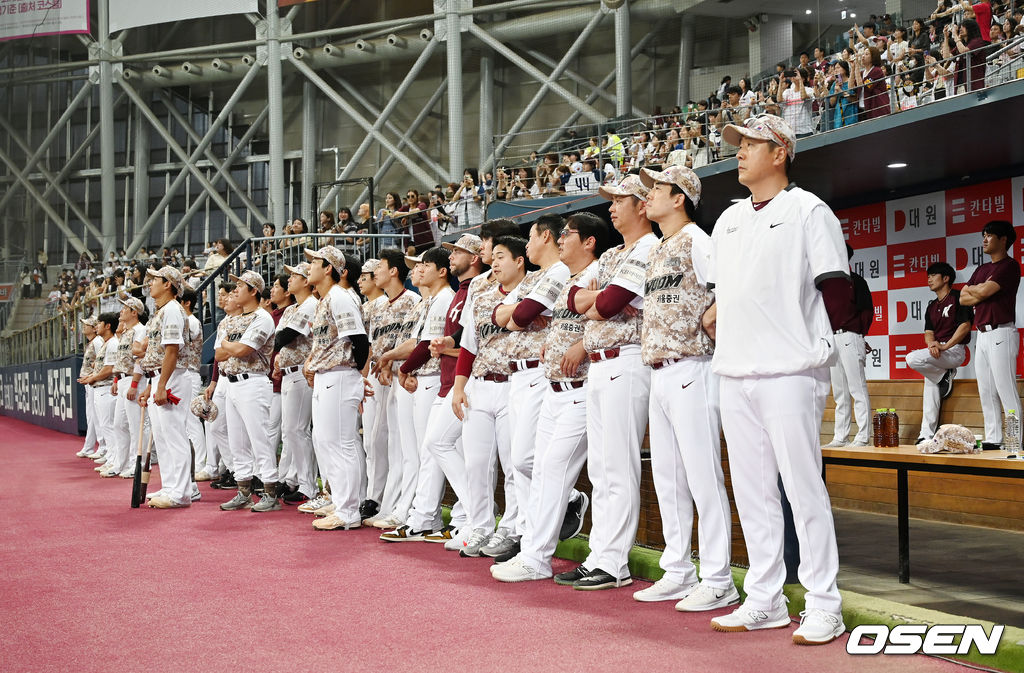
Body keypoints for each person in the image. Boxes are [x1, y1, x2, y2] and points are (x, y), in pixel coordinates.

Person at [708, 114, 849, 644]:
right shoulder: (727, 220)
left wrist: (829, 351)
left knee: (802, 489)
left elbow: (836, 290)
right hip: (735, 369)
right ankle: (764, 598)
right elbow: (727, 292)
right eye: (738, 144)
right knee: (752, 493)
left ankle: (823, 603)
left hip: (791, 369)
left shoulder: (809, 210)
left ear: (781, 151)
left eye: (752, 143)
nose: (740, 151)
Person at [628, 164, 738, 610]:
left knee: (702, 476)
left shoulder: (698, 240)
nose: (648, 195)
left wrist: (716, 315)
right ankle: (678, 570)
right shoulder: (657, 249)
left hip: (694, 366)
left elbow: (727, 288)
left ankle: (718, 577)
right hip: (659, 370)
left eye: (657, 188)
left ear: (680, 198)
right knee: (668, 477)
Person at [491, 213, 607, 583]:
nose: (560, 240)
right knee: (538, 468)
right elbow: (504, 316)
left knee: (553, 470)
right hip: (553, 384)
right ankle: (532, 552)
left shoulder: (599, 271)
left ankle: (537, 557)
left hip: (581, 385)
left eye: (568, 235)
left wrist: (580, 345)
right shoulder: (568, 277)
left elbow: (522, 317)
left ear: (587, 241)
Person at [559, 174, 657, 590]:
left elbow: (611, 302)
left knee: (617, 464)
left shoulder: (650, 246)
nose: (612, 206)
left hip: (627, 359)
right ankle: (599, 554)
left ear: (642, 204)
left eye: (620, 199)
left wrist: (596, 302)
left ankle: (614, 563)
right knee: (600, 467)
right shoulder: (615, 252)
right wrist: (594, 303)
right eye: (611, 199)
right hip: (598, 364)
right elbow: (573, 300)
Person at [488, 215, 572, 560]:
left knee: (526, 458)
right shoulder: (536, 277)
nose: (528, 243)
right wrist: (514, 312)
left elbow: (520, 317)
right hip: (516, 372)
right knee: (517, 459)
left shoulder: (560, 271)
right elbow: (499, 315)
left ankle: (564, 501)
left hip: (541, 370)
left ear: (546, 237)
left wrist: (515, 313)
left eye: (532, 237)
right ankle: (525, 529)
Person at [451, 235, 529, 557]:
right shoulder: (481, 297)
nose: (493, 263)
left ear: (519, 260)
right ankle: (480, 526)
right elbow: (469, 345)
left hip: (514, 383)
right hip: (479, 386)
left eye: (500, 257)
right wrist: (459, 386)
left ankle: (510, 527)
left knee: (513, 464)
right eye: (492, 257)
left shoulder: (532, 291)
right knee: (477, 463)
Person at [378, 247, 457, 541]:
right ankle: (423, 515)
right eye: (416, 265)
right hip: (421, 377)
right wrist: (395, 361)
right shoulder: (430, 301)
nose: (418, 270)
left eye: (424, 264)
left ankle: (425, 517)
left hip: (434, 377)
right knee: (419, 452)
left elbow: (425, 346)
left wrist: (402, 368)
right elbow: (415, 341)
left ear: (441, 270)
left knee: (429, 451)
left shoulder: (443, 299)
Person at [304, 246, 370, 531]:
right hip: (327, 376)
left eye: (314, 262)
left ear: (328, 267)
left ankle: (348, 510)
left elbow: (359, 340)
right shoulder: (325, 298)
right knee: (326, 441)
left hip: (340, 375)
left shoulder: (341, 298)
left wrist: (354, 374)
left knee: (342, 443)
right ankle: (341, 502)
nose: (309, 267)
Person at [214, 271, 278, 512]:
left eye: (241, 286)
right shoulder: (229, 320)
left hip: (253, 381)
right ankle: (243, 491)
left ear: (254, 291)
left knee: (259, 438)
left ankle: (270, 491)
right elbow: (218, 355)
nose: (235, 290)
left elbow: (243, 350)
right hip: (230, 382)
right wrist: (232, 347)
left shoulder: (262, 317)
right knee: (237, 441)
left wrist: (230, 346)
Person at [958, 220, 1022, 450]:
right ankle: (994, 439)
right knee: (986, 391)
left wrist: (979, 291)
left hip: (1001, 332)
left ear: (1003, 239)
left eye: (989, 235)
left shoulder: (1010, 265)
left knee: (1006, 391)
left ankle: (1014, 442)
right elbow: (963, 297)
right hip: (982, 335)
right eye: (983, 235)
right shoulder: (982, 269)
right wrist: (980, 291)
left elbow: (981, 291)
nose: (984, 240)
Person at [140, 266, 194, 510]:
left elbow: (172, 351)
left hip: (171, 377)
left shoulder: (172, 309)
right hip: (158, 377)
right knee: (162, 437)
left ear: (168, 284)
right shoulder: (161, 311)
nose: (150, 283)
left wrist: (161, 385)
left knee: (174, 436)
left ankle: (182, 493)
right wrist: (150, 385)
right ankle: (171, 485)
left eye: (155, 279)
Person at [906, 262, 973, 443]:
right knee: (930, 385)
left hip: (954, 351)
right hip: (938, 352)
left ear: (946, 278)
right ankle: (925, 435)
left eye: (933, 275)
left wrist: (944, 346)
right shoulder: (931, 305)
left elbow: (965, 326)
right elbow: (928, 332)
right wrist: (932, 344)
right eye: (928, 276)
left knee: (911, 358)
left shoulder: (959, 297)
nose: (929, 279)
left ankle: (944, 376)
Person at [273, 263, 319, 504]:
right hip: (288, 373)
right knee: (290, 431)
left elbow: (283, 337)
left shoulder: (311, 304)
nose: (290, 279)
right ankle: (296, 479)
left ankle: (308, 486)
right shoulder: (291, 308)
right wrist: (277, 360)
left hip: (303, 374)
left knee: (297, 430)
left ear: (306, 281)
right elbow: (278, 342)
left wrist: (279, 349)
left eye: (295, 276)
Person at [825, 245, 874, 448]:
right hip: (832, 338)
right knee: (840, 393)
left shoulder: (856, 281)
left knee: (857, 388)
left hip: (851, 335)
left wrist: (860, 336)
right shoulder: (825, 284)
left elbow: (867, 311)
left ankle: (863, 435)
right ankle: (841, 436)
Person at [105, 297, 149, 479]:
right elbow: (121, 358)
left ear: (134, 312)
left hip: (133, 380)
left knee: (136, 424)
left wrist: (134, 384)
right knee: (118, 424)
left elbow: (140, 358)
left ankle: (136, 464)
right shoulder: (124, 332)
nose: (121, 310)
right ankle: (120, 463)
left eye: (125, 308)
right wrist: (116, 379)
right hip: (122, 378)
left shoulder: (140, 330)